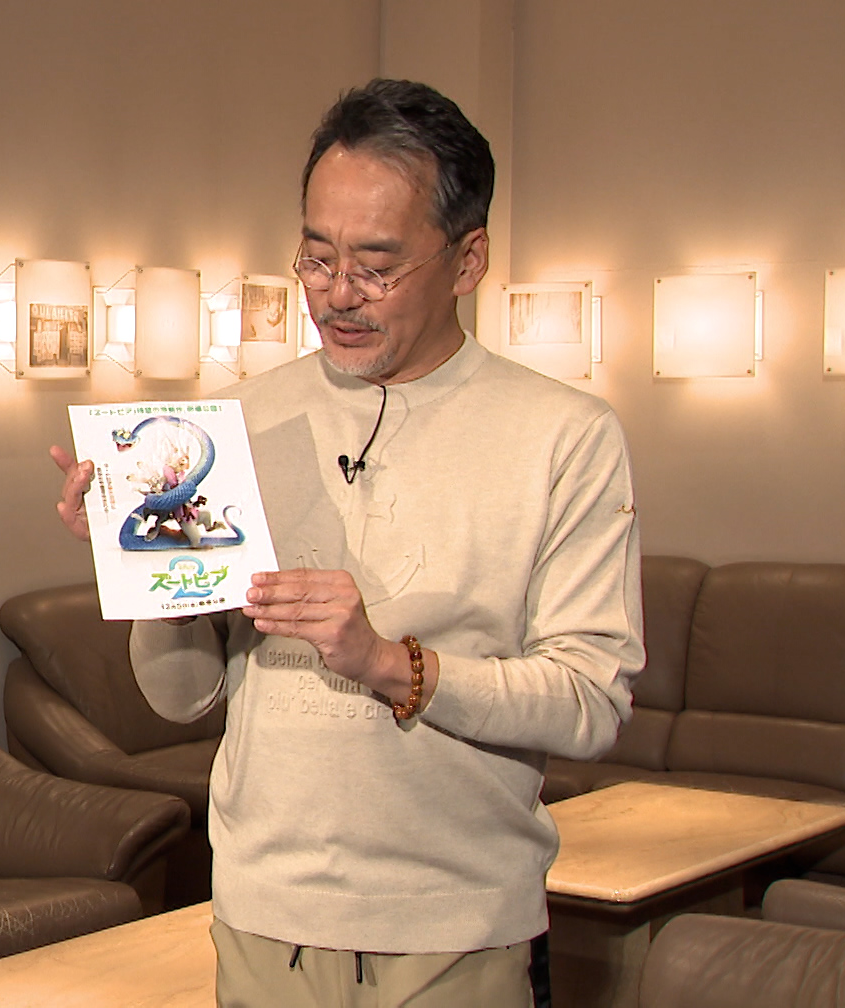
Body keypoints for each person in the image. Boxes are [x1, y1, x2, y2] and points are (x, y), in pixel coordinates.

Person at [51, 79, 643, 1007]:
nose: (337, 296)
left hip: (458, 931)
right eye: (317, 258)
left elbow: (589, 702)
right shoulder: (239, 421)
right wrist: (147, 566)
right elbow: (180, 698)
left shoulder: (565, 437)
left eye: (376, 266)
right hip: (263, 917)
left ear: (468, 259)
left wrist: (388, 663)